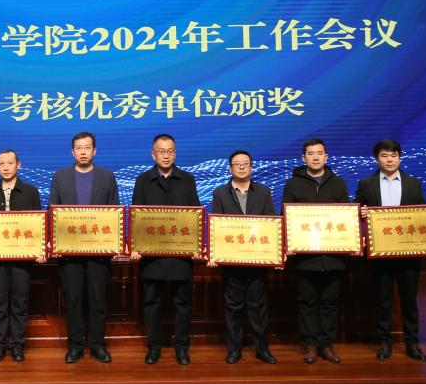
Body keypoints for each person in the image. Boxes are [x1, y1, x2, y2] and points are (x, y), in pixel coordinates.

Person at [354, 139, 426, 362]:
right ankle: (385, 343)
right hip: (379, 254)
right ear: (377, 159)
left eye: (394, 155)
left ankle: (412, 343)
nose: (390, 160)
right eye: (385, 156)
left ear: (399, 157)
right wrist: (361, 212)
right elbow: (355, 210)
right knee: (383, 300)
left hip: (408, 253)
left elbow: (423, 215)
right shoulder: (366, 184)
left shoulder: (413, 183)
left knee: (409, 301)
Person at [48, 131, 120, 364]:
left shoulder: (107, 177)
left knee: (98, 300)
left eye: (87, 147)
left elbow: (114, 213)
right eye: (79, 148)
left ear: (94, 151)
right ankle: (75, 346)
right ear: (72, 152)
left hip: (99, 254)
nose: (83, 152)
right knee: (73, 301)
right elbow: (52, 212)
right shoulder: (60, 177)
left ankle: (98, 345)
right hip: (70, 253)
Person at [131, 134, 201, 366]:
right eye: (161, 151)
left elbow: (195, 215)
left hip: (180, 255)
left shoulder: (188, 180)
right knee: (152, 304)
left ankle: (182, 347)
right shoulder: (143, 180)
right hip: (152, 256)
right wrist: (135, 245)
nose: (166, 155)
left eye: (170, 151)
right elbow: (136, 216)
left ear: (175, 153)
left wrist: (196, 245)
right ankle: (154, 347)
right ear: (153, 154)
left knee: (183, 304)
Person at [281, 138, 350, 364]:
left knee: (330, 302)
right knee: (307, 302)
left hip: (333, 256)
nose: (315, 157)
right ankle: (310, 345)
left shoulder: (338, 183)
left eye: (319, 153)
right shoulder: (293, 184)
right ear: (304, 158)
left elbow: (346, 218)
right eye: (311, 154)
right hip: (305, 258)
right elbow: (286, 218)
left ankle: (326, 345)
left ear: (326, 157)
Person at [208, 149, 278, 365]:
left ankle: (262, 349)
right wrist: (214, 253)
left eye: (245, 164)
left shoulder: (263, 192)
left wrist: (275, 253)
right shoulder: (220, 193)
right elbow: (215, 226)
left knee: (258, 308)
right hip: (231, 263)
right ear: (230, 168)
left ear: (251, 167)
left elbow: (272, 223)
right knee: (233, 308)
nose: (241, 167)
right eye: (237, 164)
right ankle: (234, 349)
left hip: (257, 262)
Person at [0, 150, 43, 362]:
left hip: (22, 258)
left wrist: (40, 249)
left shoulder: (31, 192)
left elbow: (38, 225)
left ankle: (17, 345)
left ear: (18, 165)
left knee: (19, 302)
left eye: (10, 163)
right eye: (2, 163)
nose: (6, 167)